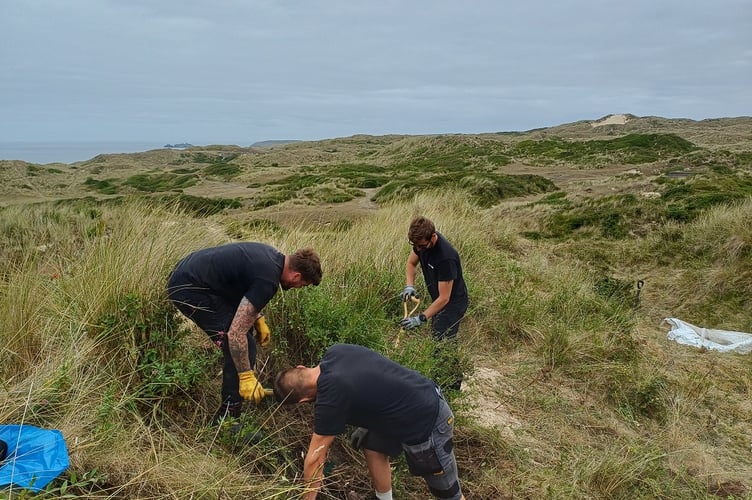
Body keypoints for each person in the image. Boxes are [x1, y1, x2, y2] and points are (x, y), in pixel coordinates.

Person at [273, 343, 465, 500]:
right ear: (301, 367)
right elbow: (369, 379)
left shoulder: (330, 398)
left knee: (448, 494)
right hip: (413, 399)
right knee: (372, 443)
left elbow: (315, 459)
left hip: (427, 420)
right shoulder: (337, 351)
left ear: (303, 400)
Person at [167, 242, 322, 423]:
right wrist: (246, 376)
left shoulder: (271, 257)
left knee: (243, 340)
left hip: (192, 276)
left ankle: (229, 412)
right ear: (297, 276)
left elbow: (240, 289)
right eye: (302, 284)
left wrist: (258, 318)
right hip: (190, 289)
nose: (298, 287)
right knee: (240, 345)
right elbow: (235, 334)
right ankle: (226, 420)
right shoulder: (268, 281)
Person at [399, 216, 468, 390]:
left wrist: (421, 318)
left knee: (443, 342)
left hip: (453, 303)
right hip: (439, 299)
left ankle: (450, 386)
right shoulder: (420, 244)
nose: (419, 249)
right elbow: (411, 263)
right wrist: (409, 285)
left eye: (422, 246)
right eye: (416, 246)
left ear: (433, 237)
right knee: (439, 339)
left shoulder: (446, 258)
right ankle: (444, 380)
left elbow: (444, 298)